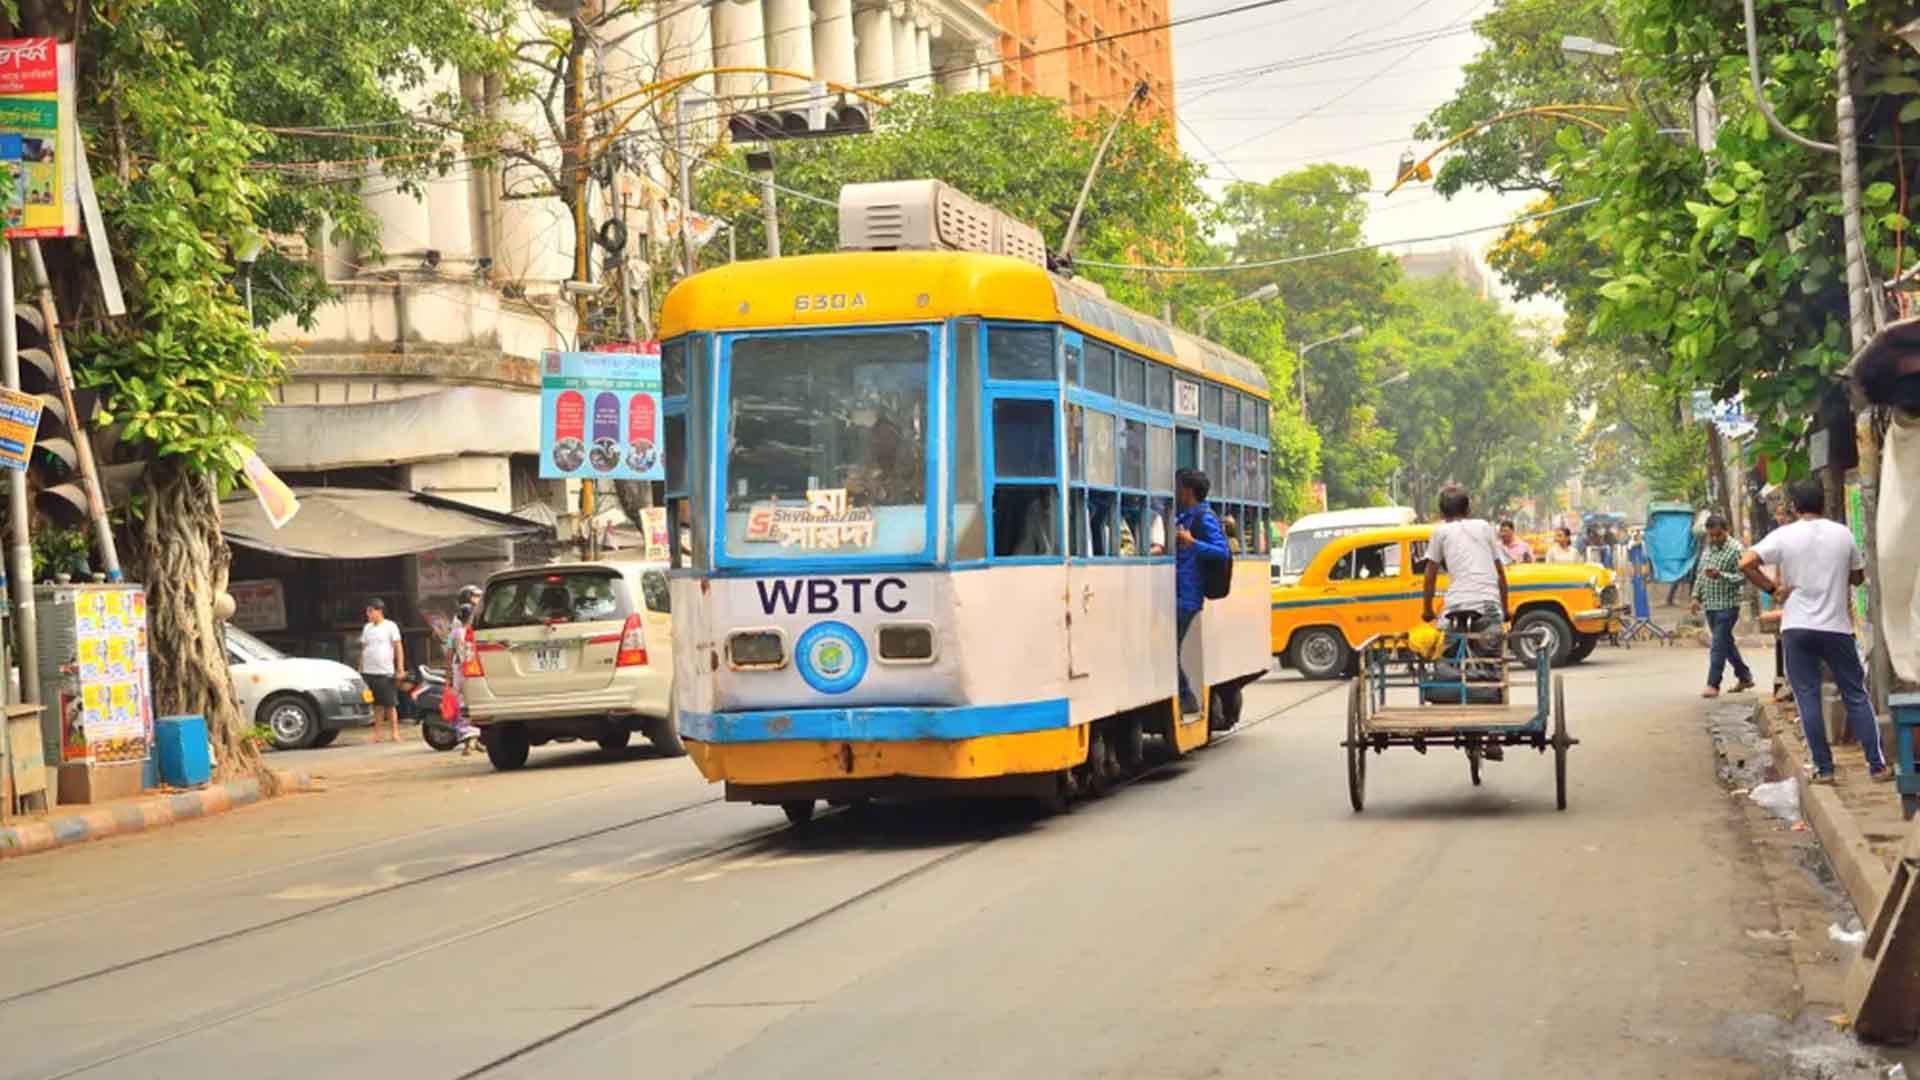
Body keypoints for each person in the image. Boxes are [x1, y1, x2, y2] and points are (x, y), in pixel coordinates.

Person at [1740, 479, 1890, 784]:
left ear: (1794, 506)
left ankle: (1824, 768)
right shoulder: (1843, 534)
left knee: (1807, 696)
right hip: (1836, 628)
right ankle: (1876, 766)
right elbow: (1858, 577)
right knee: (1856, 695)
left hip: (1797, 627)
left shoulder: (1784, 535)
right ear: (1823, 503)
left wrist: (1773, 588)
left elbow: (1746, 562)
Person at [1421, 485, 1510, 756]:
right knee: (1493, 666)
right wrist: (1505, 610)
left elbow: (1430, 573)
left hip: (1454, 607)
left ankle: (1445, 715)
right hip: (1486, 604)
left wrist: (1427, 609)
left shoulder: (1440, 531)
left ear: (1441, 512)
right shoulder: (1484, 527)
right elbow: (1499, 573)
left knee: (1445, 661)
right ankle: (1493, 737)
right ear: (1468, 509)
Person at [1174, 468, 1230, 718]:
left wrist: (1192, 543)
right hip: (1179, 593)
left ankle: (1187, 697)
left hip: (1188, 596)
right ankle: (1185, 696)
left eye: (1178, 487)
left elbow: (1222, 552)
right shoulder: (1185, 515)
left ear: (1187, 491)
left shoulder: (1203, 517)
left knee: (1169, 649)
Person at [1690, 514, 1754, 699]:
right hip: (1710, 605)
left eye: (1718, 535)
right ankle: (1744, 675)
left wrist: (1722, 575)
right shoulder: (1708, 548)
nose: (1715, 539)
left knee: (1717, 645)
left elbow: (1743, 577)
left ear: (1726, 531)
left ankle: (1713, 684)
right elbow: (1701, 575)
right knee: (1726, 643)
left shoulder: (1735, 549)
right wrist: (1695, 597)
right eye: (1712, 536)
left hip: (1728, 605)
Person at [360, 598, 405, 744]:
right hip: (369, 671)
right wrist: (360, 667)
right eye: (367, 611)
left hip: (385, 671)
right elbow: (364, 648)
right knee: (376, 705)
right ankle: (377, 734)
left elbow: (398, 647)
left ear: (379, 611)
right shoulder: (367, 628)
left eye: (370, 611)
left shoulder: (390, 626)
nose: (368, 614)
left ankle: (395, 733)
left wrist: (400, 668)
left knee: (390, 704)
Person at [448, 585, 483, 754]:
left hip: (460, 669)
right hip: (470, 668)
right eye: (475, 597)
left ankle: (473, 739)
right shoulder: (466, 627)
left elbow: (450, 650)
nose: (478, 600)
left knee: (464, 703)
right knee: (471, 702)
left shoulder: (456, 626)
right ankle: (472, 738)